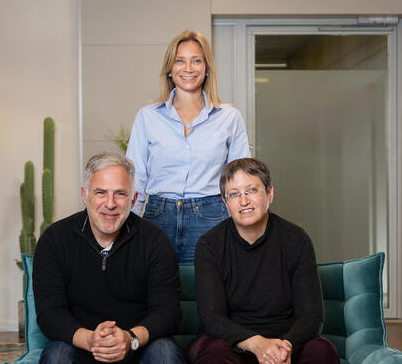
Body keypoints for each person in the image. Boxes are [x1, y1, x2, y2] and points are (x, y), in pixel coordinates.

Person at [33, 152, 185, 364]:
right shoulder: (55, 240)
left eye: (120, 194)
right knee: (56, 355)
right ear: (85, 195)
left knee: (165, 353)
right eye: (101, 193)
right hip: (81, 344)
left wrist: (130, 338)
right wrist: (90, 340)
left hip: (137, 345)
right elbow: (50, 313)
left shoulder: (155, 241)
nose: (111, 204)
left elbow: (168, 313)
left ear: (133, 199)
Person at [188, 158, 339, 364]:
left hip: (285, 340)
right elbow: (213, 318)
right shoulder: (209, 245)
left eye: (251, 190)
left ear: (269, 193)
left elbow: (312, 316)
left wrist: (283, 349)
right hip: (232, 342)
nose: (243, 201)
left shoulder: (297, 239)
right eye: (234, 194)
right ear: (225, 203)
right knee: (213, 353)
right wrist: (257, 345)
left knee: (322, 351)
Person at [126, 30, 250, 263]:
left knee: (207, 291)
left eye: (196, 60)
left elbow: (240, 180)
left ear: (206, 67)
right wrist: (127, 227)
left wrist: (243, 226)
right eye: (180, 60)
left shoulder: (229, 118)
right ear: (170, 69)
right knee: (157, 292)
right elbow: (136, 179)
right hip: (157, 216)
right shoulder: (147, 117)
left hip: (211, 216)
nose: (189, 68)